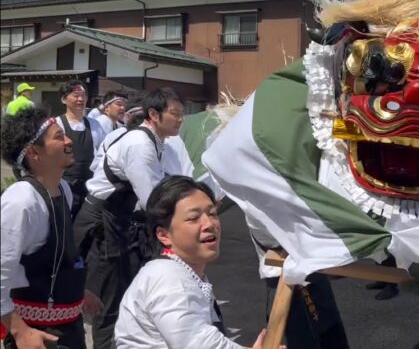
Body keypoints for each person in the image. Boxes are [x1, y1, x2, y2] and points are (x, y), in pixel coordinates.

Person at [74, 87, 185, 349]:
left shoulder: (156, 143)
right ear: (153, 115)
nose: (180, 119)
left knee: (125, 296)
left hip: (119, 221)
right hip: (102, 224)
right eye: (175, 113)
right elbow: (152, 200)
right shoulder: (139, 144)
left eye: (182, 114)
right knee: (108, 304)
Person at [115, 176, 280, 349]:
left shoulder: (184, 273)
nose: (209, 224)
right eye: (193, 218)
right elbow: (196, 344)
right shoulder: (167, 277)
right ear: (164, 235)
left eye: (212, 214)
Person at [1, 108, 102, 348]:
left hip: (69, 326)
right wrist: (20, 331)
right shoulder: (22, 200)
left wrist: (77, 291)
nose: (69, 140)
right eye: (59, 136)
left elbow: (59, 257)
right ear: (35, 152)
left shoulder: (63, 190)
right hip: (38, 335)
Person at [56, 80, 106, 219]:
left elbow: (103, 153)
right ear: (64, 99)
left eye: (83, 95)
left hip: (90, 184)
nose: (81, 99)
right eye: (76, 95)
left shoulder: (95, 125)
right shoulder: (57, 124)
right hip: (64, 182)